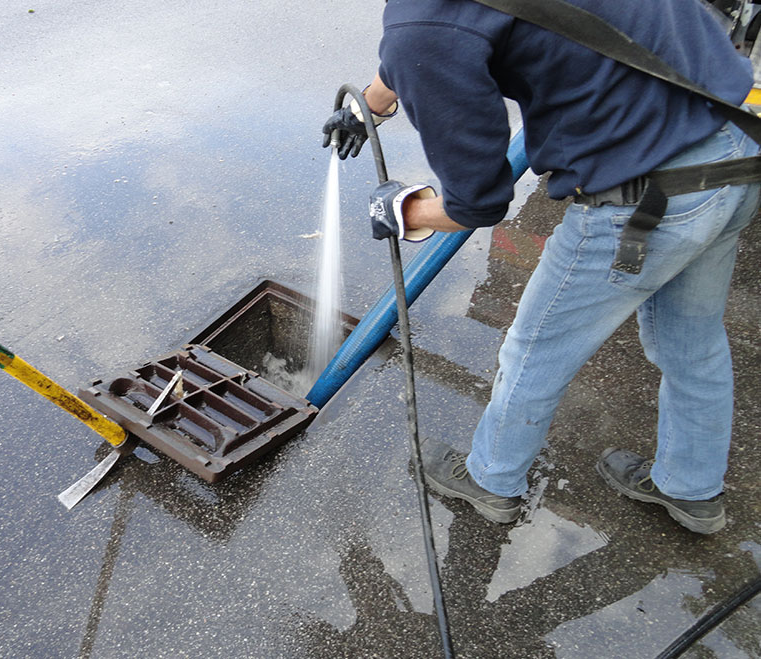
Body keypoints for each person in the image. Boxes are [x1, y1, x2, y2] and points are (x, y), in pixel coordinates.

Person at [323, 0, 760, 534]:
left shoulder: (422, 28)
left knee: (536, 349)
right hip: (735, 149)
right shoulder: (429, 23)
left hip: (645, 200)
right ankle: (693, 490)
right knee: (693, 341)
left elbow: (476, 203)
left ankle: (491, 480)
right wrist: (370, 105)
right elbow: (444, 31)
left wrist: (404, 209)